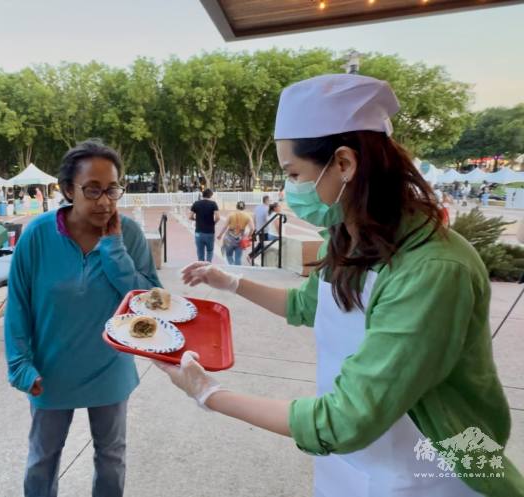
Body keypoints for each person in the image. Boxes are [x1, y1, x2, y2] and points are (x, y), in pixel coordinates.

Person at [157, 74, 523, 496]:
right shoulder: (347, 235)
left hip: (433, 471)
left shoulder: (435, 270)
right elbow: (307, 306)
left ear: (345, 164)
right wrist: (233, 282)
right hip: (353, 461)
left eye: (293, 173)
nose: (289, 190)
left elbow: (344, 420)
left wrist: (209, 394)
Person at [5, 139, 161, 497]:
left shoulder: (129, 234)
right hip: (49, 371)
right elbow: (19, 304)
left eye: (112, 190)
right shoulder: (37, 235)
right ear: (66, 190)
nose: (105, 201)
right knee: (42, 459)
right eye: (92, 190)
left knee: (111, 457)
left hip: (110, 369)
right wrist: (19, 363)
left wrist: (114, 250)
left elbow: (149, 302)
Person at [217, 201, 254, 266]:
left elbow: (225, 226)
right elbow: (252, 228)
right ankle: (238, 271)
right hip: (240, 238)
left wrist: (220, 235)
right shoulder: (248, 216)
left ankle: (232, 267)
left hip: (229, 238)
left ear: (236, 206)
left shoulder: (231, 215)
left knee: (229, 255)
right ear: (244, 207)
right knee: (238, 258)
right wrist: (248, 236)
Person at [189, 189, 220, 262]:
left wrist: (196, 220)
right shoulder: (213, 204)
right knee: (210, 250)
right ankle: (208, 266)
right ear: (210, 195)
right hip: (210, 232)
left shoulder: (196, 203)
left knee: (200, 252)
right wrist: (213, 223)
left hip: (199, 232)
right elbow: (218, 217)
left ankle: (201, 267)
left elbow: (190, 216)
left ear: (203, 195)